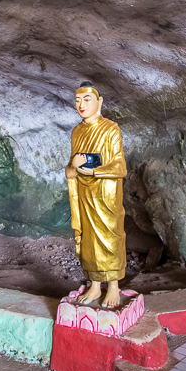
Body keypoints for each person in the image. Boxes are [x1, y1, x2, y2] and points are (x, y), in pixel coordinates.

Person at [65, 81, 127, 308]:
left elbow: (120, 167)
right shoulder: (77, 131)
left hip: (106, 195)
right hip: (84, 193)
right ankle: (94, 284)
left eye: (87, 99)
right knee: (89, 239)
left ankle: (113, 286)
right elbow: (70, 170)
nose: (81, 105)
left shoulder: (111, 129)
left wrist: (94, 170)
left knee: (110, 237)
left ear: (99, 102)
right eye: (78, 100)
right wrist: (74, 166)